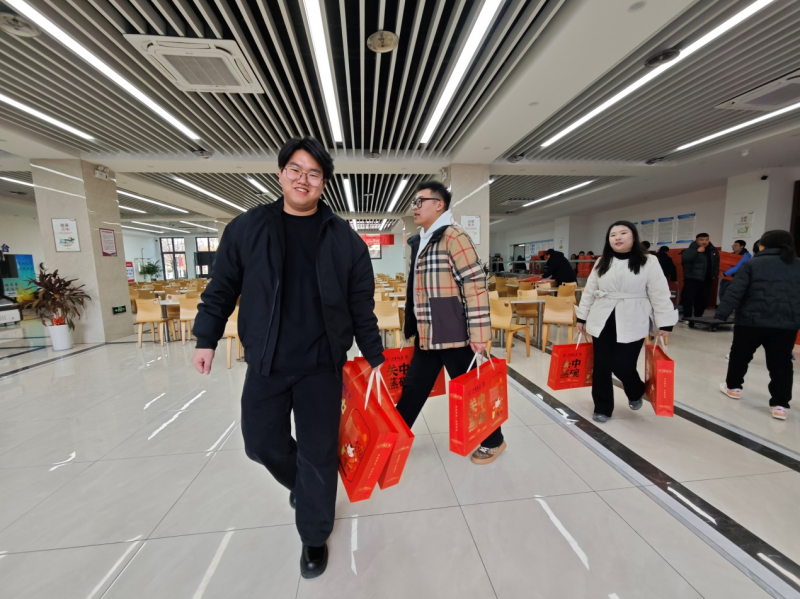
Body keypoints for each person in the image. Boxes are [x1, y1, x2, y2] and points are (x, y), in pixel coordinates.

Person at [191, 137, 385, 580]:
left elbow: (361, 305)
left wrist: (374, 355)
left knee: (319, 452)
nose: (303, 179)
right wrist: (206, 338)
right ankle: (305, 485)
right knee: (259, 442)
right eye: (295, 169)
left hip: (321, 365)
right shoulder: (247, 229)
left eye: (314, 173)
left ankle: (314, 535)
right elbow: (221, 288)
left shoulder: (345, 241)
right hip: (268, 361)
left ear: (324, 183)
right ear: (281, 174)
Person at [397, 181, 505, 464]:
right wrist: (411, 324)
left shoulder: (454, 237)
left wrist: (479, 334)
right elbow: (415, 288)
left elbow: (475, 285)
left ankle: (494, 441)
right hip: (428, 331)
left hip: (452, 330)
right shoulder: (422, 239)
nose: (415, 207)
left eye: (420, 202)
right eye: (414, 202)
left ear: (439, 205)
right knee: (414, 388)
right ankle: (393, 440)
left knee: (470, 390)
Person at [575, 221, 678, 422]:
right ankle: (602, 407)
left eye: (623, 233)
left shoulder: (648, 261)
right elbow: (589, 291)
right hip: (602, 317)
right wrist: (582, 316)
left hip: (634, 317)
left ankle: (635, 389)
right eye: (613, 235)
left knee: (623, 364)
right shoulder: (602, 261)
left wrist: (664, 322)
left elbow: (659, 292)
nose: (618, 238)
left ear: (633, 237)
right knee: (602, 366)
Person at [716, 231, 800, 421]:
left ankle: (733, 388)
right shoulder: (798, 265)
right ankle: (780, 405)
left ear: (763, 245)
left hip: (750, 321)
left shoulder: (752, 264)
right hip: (786, 323)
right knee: (781, 363)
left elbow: (735, 291)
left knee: (740, 355)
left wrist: (721, 314)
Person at [680, 233, 720, 321]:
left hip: (707, 279)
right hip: (692, 278)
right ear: (697, 240)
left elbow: (716, 264)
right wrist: (697, 251)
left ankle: (698, 317)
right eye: (702, 240)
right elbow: (686, 259)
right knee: (688, 299)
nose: (704, 242)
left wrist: (715, 274)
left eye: (706, 239)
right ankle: (687, 317)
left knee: (702, 299)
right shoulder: (690, 249)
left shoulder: (713, 250)